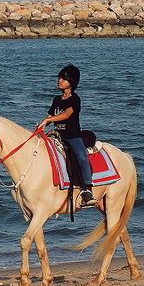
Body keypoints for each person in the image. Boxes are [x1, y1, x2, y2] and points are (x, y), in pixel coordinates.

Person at [36, 64, 93, 204]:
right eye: (60, 77)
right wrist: (40, 127)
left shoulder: (75, 99)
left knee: (81, 156)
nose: (59, 80)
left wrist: (49, 119)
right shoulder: (56, 100)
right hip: (57, 135)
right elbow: (49, 116)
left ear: (71, 82)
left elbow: (67, 114)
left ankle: (87, 188)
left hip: (72, 136)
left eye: (64, 79)